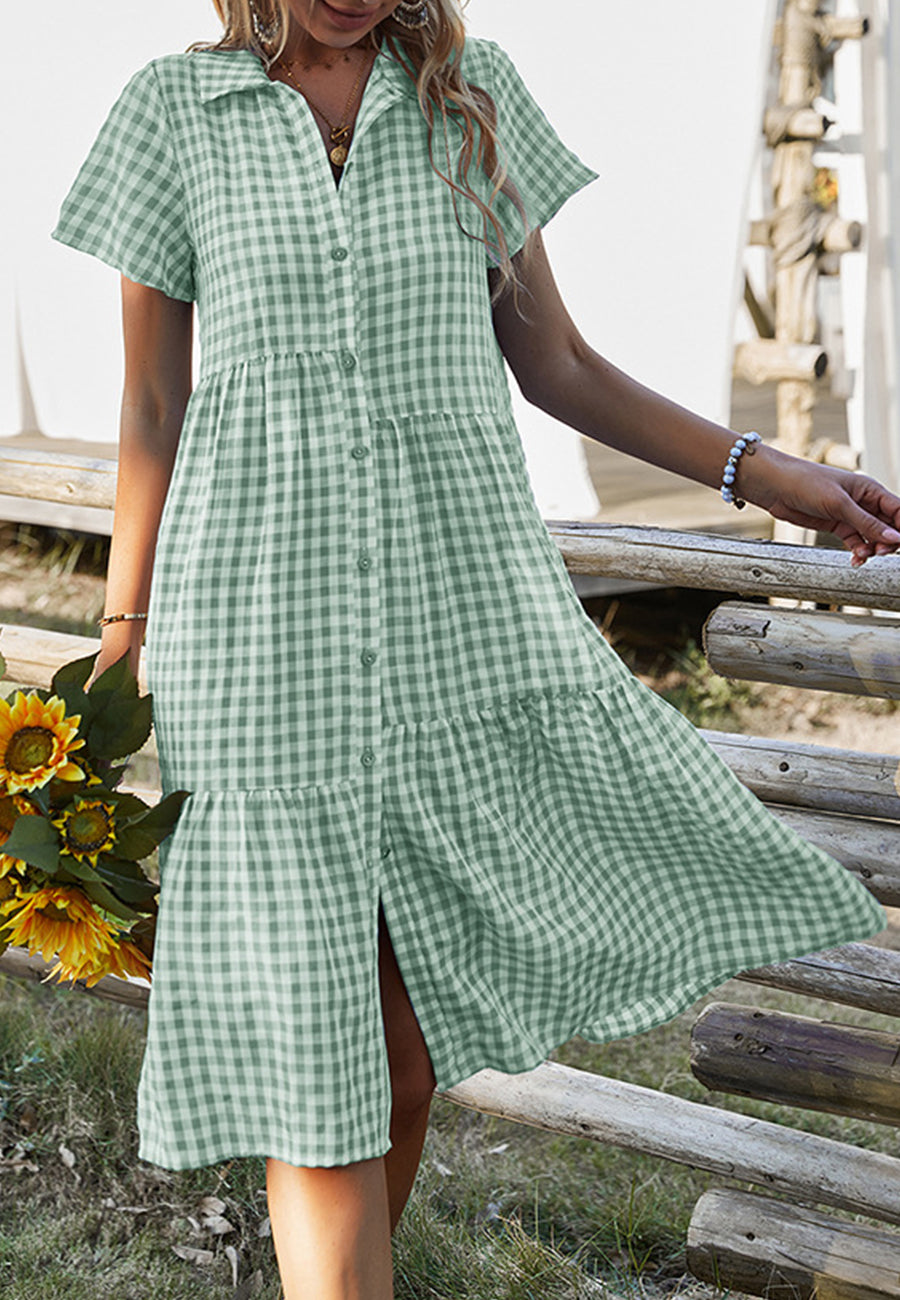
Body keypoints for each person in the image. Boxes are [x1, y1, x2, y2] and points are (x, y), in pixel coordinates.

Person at [50, 0, 899, 1295]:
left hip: (460, 631)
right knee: (319, 1065)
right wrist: (121, 632)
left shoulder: (468, 100)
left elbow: (554, 361)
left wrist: (763, 468)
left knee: (393, 1058)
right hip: (260, 638)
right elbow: (154, 403)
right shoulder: (173, 115)